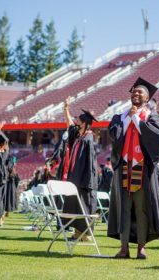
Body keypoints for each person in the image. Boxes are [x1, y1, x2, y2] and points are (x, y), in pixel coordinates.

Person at [108, 77, 159, 259]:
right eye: (134, 91)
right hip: (124, 168)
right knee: (124, 208)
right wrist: (129, 119)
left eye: (140, 92)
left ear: (147, 97)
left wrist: (136, 119)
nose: (136, 93)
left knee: (141, 209)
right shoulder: (120, 116)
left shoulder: (152, 116)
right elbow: (114, 135)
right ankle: (124, 247)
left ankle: (141, 247)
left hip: (142, 167)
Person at [63, 98, 99, 241]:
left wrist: (88, 181)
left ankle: (86, 234)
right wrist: (66, 108)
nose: (76, 122)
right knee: (75, 205)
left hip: (84, 179)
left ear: (84, 123)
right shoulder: (79, 136)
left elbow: (90, 163)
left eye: (78, 120)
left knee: (83, 205)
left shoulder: (88, 139)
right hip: (75, 178)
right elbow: (69, 125)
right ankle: (78, 233)